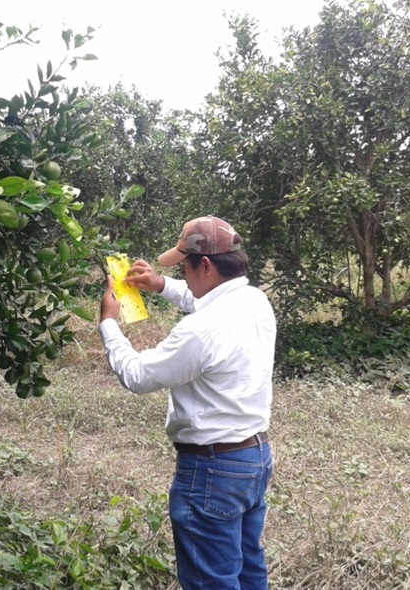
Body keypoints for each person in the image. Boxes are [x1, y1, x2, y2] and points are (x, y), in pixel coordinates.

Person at [98, 215, 277, 589]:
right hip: (253, 458)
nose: (183, 272)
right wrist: (161, 285)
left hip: (212, 469)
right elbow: (203, 300)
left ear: (206, 265)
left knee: (211, 581)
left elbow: (138, 375)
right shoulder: (254, 300)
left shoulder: (202, 330)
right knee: (247, 568)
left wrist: (109, 324)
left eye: (184, 265)